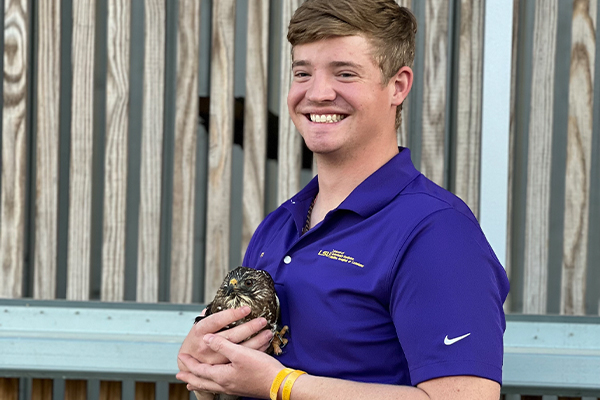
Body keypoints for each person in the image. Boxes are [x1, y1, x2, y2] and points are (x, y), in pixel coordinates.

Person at [177, 0, 510, 399]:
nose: (317, 93)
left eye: (345, 73)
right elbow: (248, 377)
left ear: (398, 86)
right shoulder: (280, 225)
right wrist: (208, 371)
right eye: (303, 72)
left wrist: (281, 385)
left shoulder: (436, 231)